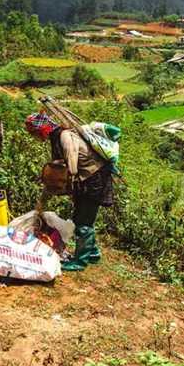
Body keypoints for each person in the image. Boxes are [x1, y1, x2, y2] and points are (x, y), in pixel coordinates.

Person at [25, 112, 114, 271]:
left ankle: (80, 262)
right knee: (79, 218)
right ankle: (92, 254)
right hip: (85, 180)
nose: (34, 137)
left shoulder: (65, 137)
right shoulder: (55, 139)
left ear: (41, 130)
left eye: (33, 133)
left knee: (83, 223)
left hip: (95, 180)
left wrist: (54, 180)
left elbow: (71, 168)